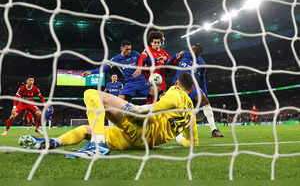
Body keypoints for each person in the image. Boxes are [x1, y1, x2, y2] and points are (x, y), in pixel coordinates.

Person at [20, 73, 198, 158]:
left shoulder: (176, 92)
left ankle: (98, 145)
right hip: (141, 143)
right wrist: (180, 139)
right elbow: (193, 143)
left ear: (177, 83)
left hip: (141, 125)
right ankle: (54, 142)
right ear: (191, 90)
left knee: (91, 94)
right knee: (87, 129)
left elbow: (159, 106)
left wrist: (136, 109)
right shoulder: (192, 113)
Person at [167, 43, 224, 137]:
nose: (191, 52)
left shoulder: (202, 64)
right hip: (178, 84)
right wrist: (172, 60)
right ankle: (177, 132)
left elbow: (202, 80)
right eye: (191, 49)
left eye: (194, 50)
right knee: (176, 106)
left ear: (198, 53)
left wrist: (205, 92)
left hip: (191, 86)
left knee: (205, 101)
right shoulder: (184, 54)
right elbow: (171, 60)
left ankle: (214, 130)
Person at [82, 40, 160, 101]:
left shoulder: (135, 54)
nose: (129, 51)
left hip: (141, 81)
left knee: (160, 94)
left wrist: (156, 59)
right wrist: (91, 72)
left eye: (130, 49)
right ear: (121, 48)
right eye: (127, 49)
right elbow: (104, 68)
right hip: (130, 84)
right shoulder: (116, 59)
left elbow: (146, 61)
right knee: (119, 101)